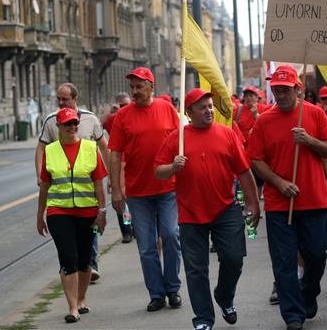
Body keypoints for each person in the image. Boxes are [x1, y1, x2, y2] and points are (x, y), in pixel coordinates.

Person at [154, 89, 260, 330]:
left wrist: (253, 203)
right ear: (189, 113)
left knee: (234, 259)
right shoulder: (176, 138)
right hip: (190, 213)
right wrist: (172, 167)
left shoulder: (227, 134)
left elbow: (244, 171)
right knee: (195, 270)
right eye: (202, 107)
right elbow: (157, 171)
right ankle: (203, 318)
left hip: (226, 208)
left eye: (210, 106)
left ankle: (224, 296)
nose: (209, 110)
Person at [247, 65, 327, 330]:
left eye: (286, 90)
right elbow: (256, 159)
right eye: (277, 90)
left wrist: (308, 140)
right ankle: (293, 315)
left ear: (298, 89)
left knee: (317, 255)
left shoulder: (315, 114)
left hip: (313, 200)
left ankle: (308, 294)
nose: (281, 95)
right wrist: (278, 182)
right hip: (279, 204)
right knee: (284, 261)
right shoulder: (264, 121)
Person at [108, 67, 182, 312]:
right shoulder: (123, 116)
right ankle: (157, 294)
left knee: (171, 235)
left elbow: (182, 141)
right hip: (138, 192)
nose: (135, 91)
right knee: (147, 246)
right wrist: (117, 190)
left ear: (151, 87)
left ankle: (172, 288)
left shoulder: (167, 109)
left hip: (168, 188)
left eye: (139, 86)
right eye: (133, 87)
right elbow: (115, 153)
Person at [36, 107, 108, 323]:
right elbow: (45, 187)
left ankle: (82, 297)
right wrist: (40, 215)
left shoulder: (90, 148)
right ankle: (72, 307)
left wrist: (102, 212)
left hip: (87, 212)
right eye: (67, 124)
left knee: (85, 260)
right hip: (59, 212)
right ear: (58, 126)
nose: (72, 127)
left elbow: (98, 184)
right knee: (69, 258)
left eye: (75, 123)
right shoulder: (51, 151)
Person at [101, 92, 134, 244]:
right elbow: (100, 122)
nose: (124, 108)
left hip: (134, 164)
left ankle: (136, 227)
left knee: (135, 200)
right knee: (121, 200)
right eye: (121, 105)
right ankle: (127, 231)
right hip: (119, 164)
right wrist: (111, 110)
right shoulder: (115, 118)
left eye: (126, 105)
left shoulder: (135, 115)